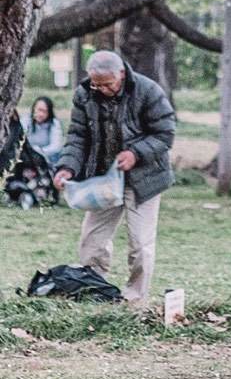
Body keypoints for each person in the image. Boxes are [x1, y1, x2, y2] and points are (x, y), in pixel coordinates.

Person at [50, 48, 178, 305]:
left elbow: (165, 133)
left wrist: (135, 153)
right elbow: (77, 137)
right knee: (92, 242)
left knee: (140, 245)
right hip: (103, 181)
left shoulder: (148, 91)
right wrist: (67, 167)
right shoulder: (85, 94)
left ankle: (134, 299)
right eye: (96, 85)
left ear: (121, 74)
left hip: (144, 180)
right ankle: (93, 291)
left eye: (107, 85)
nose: (102, 90)